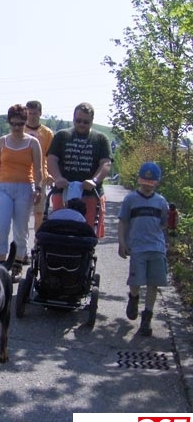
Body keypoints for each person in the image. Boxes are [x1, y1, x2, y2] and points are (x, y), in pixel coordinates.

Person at [0, 104, 42, 282]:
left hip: (25, 188)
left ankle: (17, 264)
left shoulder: (33, 142)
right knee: (1, 226)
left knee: (20, 228)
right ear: (9, 122)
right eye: (13, 124)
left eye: (20, 124)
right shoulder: (2, 142)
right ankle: (1, 266)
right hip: (4, 187)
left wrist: (38, 188)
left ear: (25, 122)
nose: (17, 128)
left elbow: (38, 169)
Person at [117, 162, 169, 337]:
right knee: (136, 281)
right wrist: (122, 242)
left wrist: (171, 224)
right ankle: (134, 297)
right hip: (137, 247)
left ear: (157, 182)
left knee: (153, 283)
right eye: (145, 182)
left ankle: (147, 317)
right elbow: (123, 221)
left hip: (156, 247)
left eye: (151, 182)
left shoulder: (161, 201)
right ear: (139, 180)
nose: (147, 185)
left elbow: (164, 224)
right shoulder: (130, 200)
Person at [47, 102, 112, 238]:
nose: (81, 124)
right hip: (63, 192)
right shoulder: (62, 136)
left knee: (87, 234)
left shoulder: (101, 139)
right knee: (59, 232)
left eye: (86, 122)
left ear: (92, 121)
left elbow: (106, 163)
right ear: (73, 119)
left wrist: (95, 180)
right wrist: (57, 177)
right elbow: (52, 159)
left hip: (90, 193)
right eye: (78, 121)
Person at [24, 101, 55, 231]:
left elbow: (51, 156)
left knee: (39, 212)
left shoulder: (47, 133)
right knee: (22, 213)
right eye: (29, 113)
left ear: (40, 113)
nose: (31, 116)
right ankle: (21, 240)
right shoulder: (21, 130)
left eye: (34, 113)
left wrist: (50, 173)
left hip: (40, 176)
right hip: (23, 176)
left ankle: (38, 239)